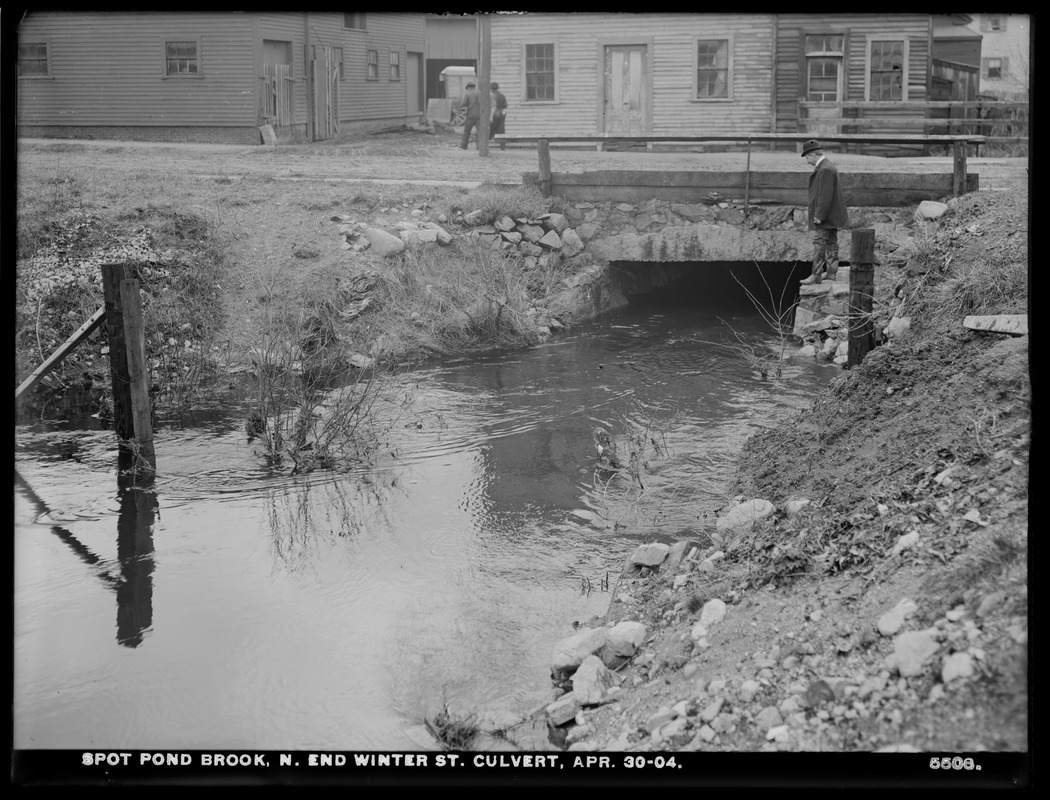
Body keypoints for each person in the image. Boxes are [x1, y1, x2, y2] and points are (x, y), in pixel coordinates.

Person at [800, 138, 849, 285]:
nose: (807, 160)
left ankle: (816, 275)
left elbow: (825, 196)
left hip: (826, 215)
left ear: (813, 154)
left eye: (807, 157)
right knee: (831, 242)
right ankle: (832, 272)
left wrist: (819, 216)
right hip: (832, 215)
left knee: (819, 243)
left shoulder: (825, 169)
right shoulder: (826, 166)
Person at [458, 81, 481, 150]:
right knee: (479, 131)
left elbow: (464, 103)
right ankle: (479, 146)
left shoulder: (468, 93)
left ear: (468, 87)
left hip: (471, 114)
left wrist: (457, 107)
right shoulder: (480, 93)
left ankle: (463, 145)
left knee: (467, 131)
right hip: (480, 114)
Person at [489, 81, 508, 150]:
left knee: (490, 129)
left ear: (491, 89)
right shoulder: (502, 96)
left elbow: (493, 107)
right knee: (501, 130)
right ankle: (503, 146)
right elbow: (506, 105)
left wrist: (491, 117)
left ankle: (486, 145)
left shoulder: (492, 96)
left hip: (495, 113)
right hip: (502, 113)